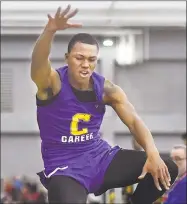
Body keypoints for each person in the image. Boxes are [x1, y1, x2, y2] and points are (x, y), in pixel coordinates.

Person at [31, 5, 178, 204]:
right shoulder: (53, 84)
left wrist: (152, 154)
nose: (86, 64)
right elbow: (38, 65)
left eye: (91, 60)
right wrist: (49, 31)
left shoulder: (107, 89)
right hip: (64, 166)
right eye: (79, 58)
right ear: (67, 59)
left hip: (100, 158)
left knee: (166, 168)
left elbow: (134, 122)